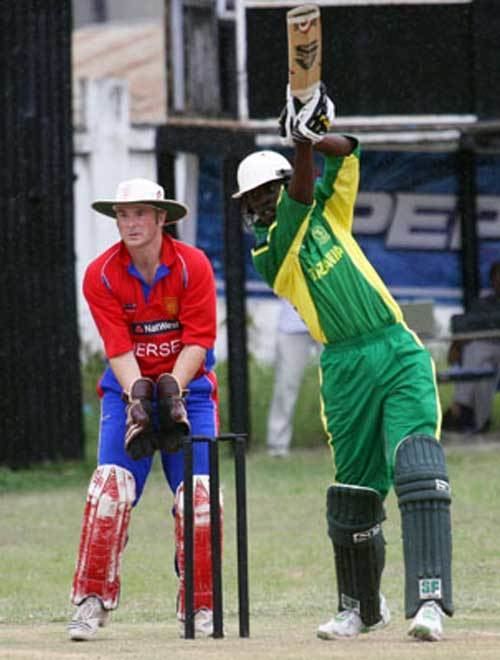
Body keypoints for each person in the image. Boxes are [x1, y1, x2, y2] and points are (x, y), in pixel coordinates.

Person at [232, 84, 453, 642]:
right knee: (354, 492)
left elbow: (349, 149)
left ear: (280, 183)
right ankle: (360, 606)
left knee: (417, 465)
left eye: (266, 192)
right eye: (252, 201)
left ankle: (428, 601)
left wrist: (314, 130)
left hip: (395, 347)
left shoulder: (330, 211)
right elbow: (302, 196)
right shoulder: (271, 253)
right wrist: (301, 144)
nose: (261, 205)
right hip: (345, 367)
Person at [68, 178, 220, 640]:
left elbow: (199, 339)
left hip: (189, 390)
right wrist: (140, 397)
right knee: (109, 490)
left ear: (161, 218)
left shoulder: (193, 265)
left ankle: (200, 605)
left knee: (197, 496)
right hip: (126, 391)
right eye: (122, 215)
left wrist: (172, 387)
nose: (130, 223)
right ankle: (91, 601)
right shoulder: (101, 274)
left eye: (140, 214)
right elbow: (117, 346)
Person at [442, 260, 500, 433]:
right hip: (491, 356)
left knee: (477, 349)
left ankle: (460, 407)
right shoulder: (483, 303)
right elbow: (460, 323)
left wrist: (485, 324)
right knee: (484, 368)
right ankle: (481, 422)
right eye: (497, 279)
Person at [267, 298, 319, 457]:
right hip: (292, 324)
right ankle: (277, 446)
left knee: (340, 385)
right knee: (285, 385)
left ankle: (345, 444)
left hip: (330, 321)